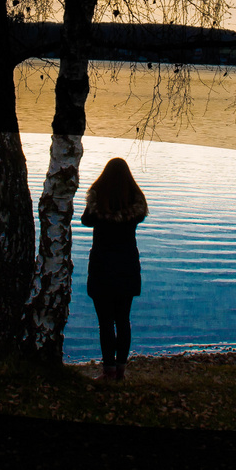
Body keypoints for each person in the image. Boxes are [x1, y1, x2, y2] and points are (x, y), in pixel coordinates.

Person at [81, 156, 148, 382]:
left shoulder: (98, 204)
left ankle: (108, 370)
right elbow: (140, 214)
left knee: (105, 323)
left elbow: (85, 221)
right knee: (123, 320)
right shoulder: (135, 207)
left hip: (102, 268)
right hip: (127, 267)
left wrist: (94, 197)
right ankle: (120, 370)